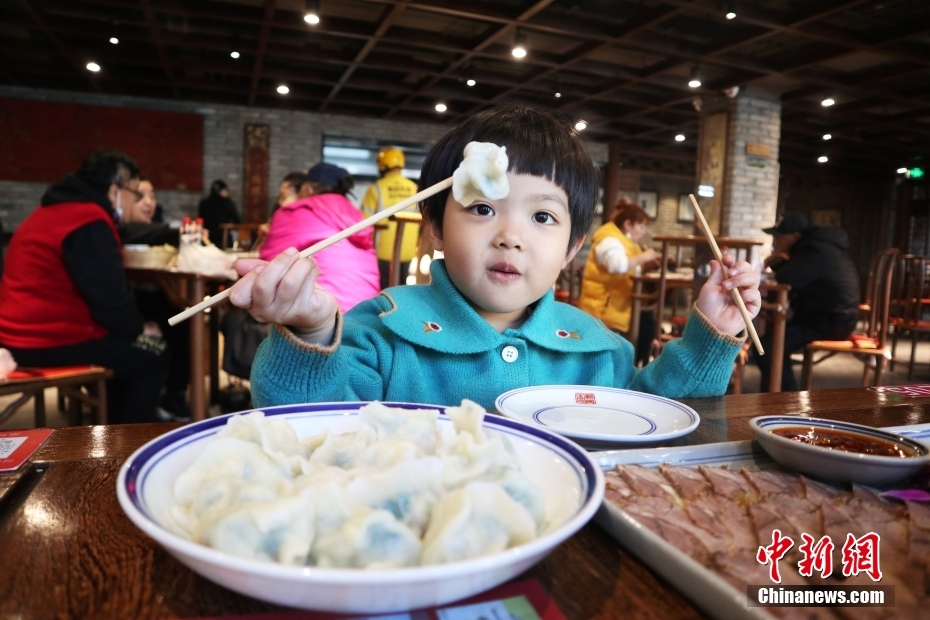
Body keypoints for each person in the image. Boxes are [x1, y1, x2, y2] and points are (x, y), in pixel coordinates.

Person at [228, 105, 761, 410]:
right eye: (482, 208)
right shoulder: (380, 333)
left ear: (573, 246)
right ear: (434, 225)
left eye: (543, 218)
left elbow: (661, 422)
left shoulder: (599, 352)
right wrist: (312, 333)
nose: (511, 237)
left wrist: (709, 334)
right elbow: (303, 419)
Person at [0, 149, 169, 424]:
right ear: (116, 188)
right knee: (152, 352)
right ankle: (128, 443)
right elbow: (111, 301)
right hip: (42, 341)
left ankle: (112, 424)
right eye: (135, 193)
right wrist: (139, 329)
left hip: (13, 334)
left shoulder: (50, 210)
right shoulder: (88, 220)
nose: (134, 202)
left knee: (128, 342)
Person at [754, 211, 861, 392]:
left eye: (780, 237)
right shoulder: (820, 246)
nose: (776, 242)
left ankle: (787, 401)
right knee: (772, 343)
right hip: (831, 316)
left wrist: (776, 262)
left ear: (795, 236)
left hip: (832, 320)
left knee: (767, 347)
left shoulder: (815, 250)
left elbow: (788, 277)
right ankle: (772, 394)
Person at [259, 165, 380, 313]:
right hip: (368, 315)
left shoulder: (296, 212)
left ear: (308, 189)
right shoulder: (358, 216)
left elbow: (267, 266)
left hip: (324, 318)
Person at [118, 177, 191, 421]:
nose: (148, 202)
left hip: (153, 299)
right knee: (177, 321)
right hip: (126, 307)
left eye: (152, 196)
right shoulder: (119, 229)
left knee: (184, 317)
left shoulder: (155, 231)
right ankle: (162, 401)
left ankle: (175, 396)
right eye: (140, 196)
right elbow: (129, 232)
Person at [577, 200, 661, 365]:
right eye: (641, 227)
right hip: (603, 309)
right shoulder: (609, 239)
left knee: (647, 326)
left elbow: (631, 265)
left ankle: (632, 369)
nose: (643, 232)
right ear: (628, 224)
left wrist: (646, 263)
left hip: (619, 307)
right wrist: (644, 257)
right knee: (643, 331)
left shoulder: (625, 241)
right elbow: (617, 265)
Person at [361, 147, 420, 288]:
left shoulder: (376, 188)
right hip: (408, 250)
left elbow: (363, 221)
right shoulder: (414, 187)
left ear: (382, 165)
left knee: (384, 290)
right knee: (402, 287)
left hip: (383, 251)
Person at [198, 179, 240, 246]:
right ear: (221, 190)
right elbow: (237, 220)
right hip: (224, 239)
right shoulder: (227, 203)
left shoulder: (204, 203)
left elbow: (201, 221)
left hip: (207, 239)